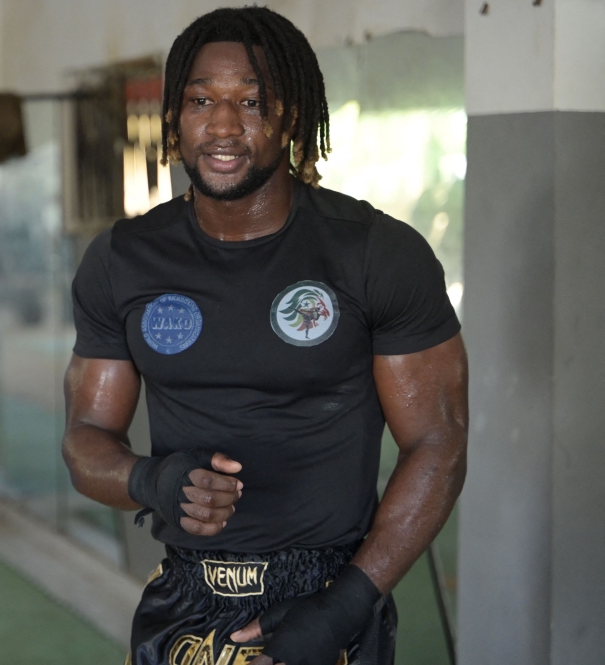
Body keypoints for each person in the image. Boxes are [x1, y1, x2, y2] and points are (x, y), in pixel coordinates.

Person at [62, 7, 468, 665]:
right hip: (184, 600)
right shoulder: (123, 260)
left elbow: (438, 441)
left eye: (252, 101)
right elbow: (84, 441)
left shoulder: (376, 255)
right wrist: (152, 481)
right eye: (201, 100)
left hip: (328, 593)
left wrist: (347, 602)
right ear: (175, 115)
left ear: (291, 117)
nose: (223, 124)